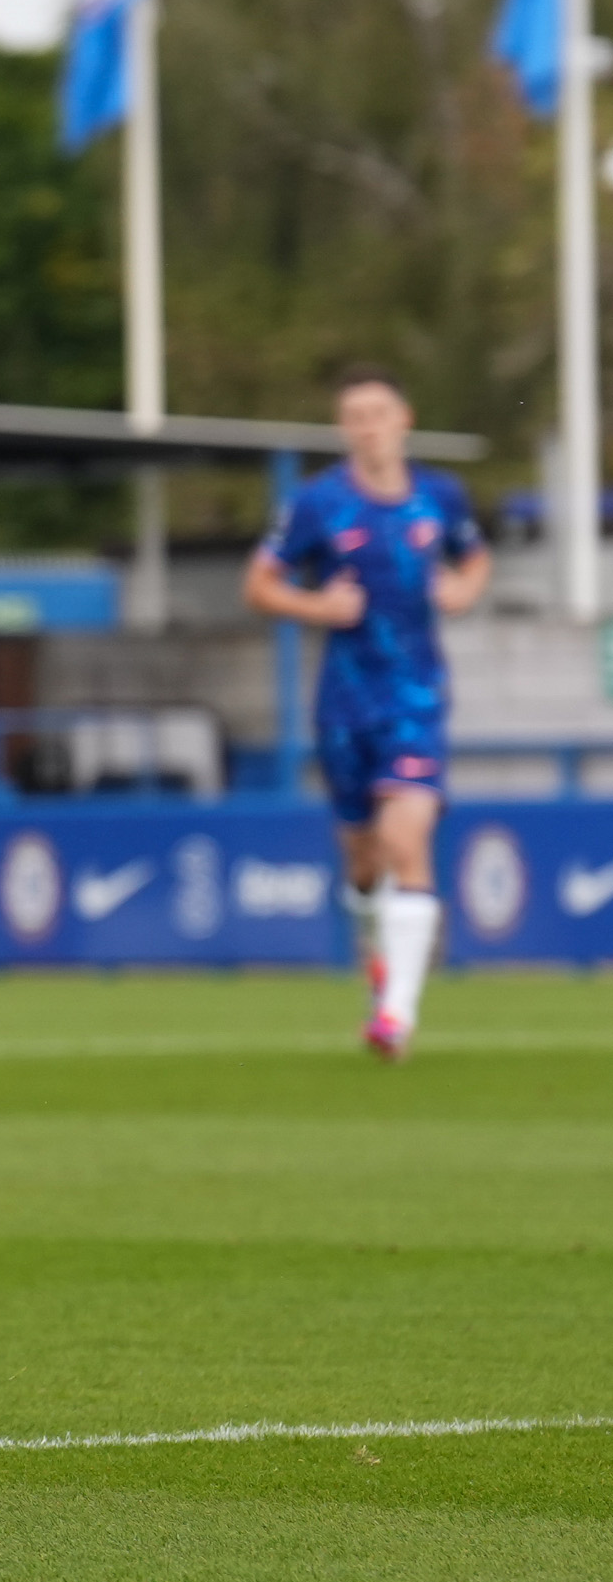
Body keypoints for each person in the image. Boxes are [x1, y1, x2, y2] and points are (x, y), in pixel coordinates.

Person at [244, 367, 489, 1062]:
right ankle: (374, 938)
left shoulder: (441, 497)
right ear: (343, 427)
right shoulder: (319, 504)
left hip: (417, 696)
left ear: (403, 418)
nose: (367, 425)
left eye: (378, 412)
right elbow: (259, 583)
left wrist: (463, 590)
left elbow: (475, 561)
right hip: (345, 704)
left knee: (406, 836)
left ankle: (395, 1017)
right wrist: (317, 606)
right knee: (364, 857)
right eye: (354, 415)